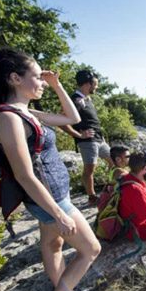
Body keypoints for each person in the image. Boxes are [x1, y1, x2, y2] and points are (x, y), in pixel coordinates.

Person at [0, 48, 101, 291]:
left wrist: (56, 84)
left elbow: (72, 119)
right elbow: (24, 174)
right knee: (91, 249)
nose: (42, 82)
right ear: (15, 79)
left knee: (53, 244)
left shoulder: (25, 112)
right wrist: (58, 213)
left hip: (51, 195)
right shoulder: (7, 119)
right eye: (37, 76)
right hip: (48, 199)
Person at [61, 70, 113, 205]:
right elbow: (61, 121)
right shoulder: (76, 100)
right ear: (87, 84)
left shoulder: (87, 99)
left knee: (114, 161)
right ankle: (92, 197)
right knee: (89, 169)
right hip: (88, 141)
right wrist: (79, 135)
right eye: (95, 84)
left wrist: (102, 138)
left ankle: (110, 189)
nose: (96, 87)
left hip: (99, 139)